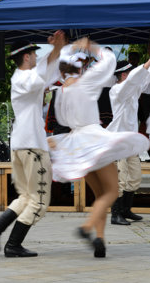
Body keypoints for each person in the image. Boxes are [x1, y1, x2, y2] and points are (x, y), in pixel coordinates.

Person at [48, 38, 149, 258]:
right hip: (93, 139)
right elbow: (110, 59)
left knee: (99, 195)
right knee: (111, 191)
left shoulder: (60, 94)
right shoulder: (86, 82)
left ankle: (100, 241)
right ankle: (87, 228)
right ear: (81, 66)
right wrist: (90, 45)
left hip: (78, 145)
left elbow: (63, 121)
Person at [0, 31, 65, 258]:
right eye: (34, 55)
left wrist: (56, 52)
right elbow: (43, 75)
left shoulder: (21, 79)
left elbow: (43, 78)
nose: (36, 58)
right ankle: (13, 244)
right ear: (27, 57)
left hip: (22, 145)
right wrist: (56, 49)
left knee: (26, 197)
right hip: (32, 147)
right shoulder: (23, 77)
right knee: (39, 200)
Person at [106, 57, 150, 225]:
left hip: (131, 141)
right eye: (130, 73)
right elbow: (135, 79)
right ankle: (115, 214)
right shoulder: (117, 91)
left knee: (134, 177)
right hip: (119, 140)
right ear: (124, 75)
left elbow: (143, 79)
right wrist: (147, 63)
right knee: (121, 179)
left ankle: (126, 210)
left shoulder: (131, 92)